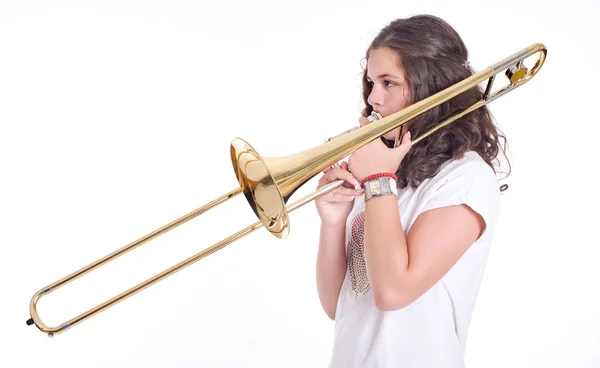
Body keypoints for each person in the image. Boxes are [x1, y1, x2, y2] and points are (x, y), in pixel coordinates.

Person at [315, 14, 509, 367]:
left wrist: (377, 179)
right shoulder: (387, 173)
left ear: (429, 87)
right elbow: (337, 305)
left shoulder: (466, 179)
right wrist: (332, 224)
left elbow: (392, 292)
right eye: (371, 82)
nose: (373, 98)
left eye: (389, 83)